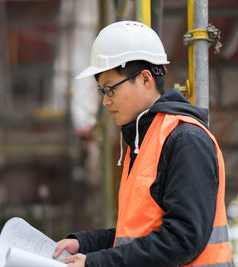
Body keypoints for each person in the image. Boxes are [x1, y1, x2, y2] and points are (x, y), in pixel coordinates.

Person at [52, 21, 234, 266]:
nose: (105, 102)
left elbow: (183, 240)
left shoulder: (186, 139)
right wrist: (86, 244)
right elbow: (139, 237)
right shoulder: (145, 139)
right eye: (101, 91)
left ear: (146, 79)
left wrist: (98, 263)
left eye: (110, 89)